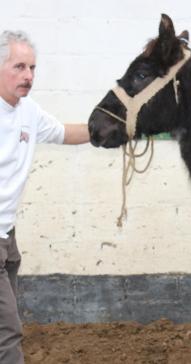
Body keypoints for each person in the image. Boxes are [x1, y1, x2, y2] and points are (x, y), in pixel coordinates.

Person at [0, 30, 89, 363]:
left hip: (7, 236)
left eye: (32, 68)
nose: (28, 76)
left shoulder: (29, 111)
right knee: (8, 332)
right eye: (19, 67)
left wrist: (110, 128)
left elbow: (65, 133)